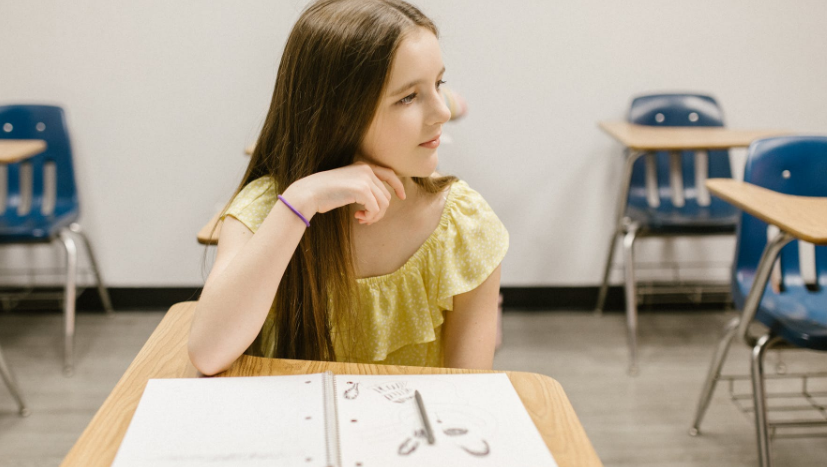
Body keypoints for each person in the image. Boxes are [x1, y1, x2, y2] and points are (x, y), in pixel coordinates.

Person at [189, 0, 508, 376]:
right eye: (408, 97)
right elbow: (208, 354)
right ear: (337, 114)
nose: (441, 112)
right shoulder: (266, 207)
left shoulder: (463, 224)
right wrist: (301, 202)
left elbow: (467, 394)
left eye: (439, 85)